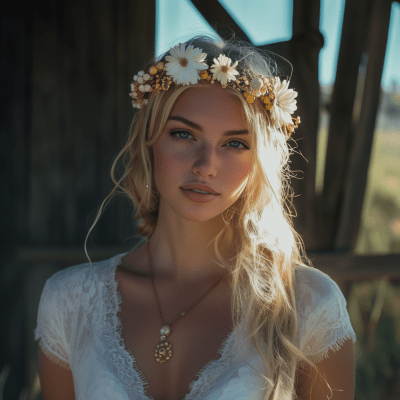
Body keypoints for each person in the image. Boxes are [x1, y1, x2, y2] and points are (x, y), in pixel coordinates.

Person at [34, 35, 357, 400]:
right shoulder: (70, 302)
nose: (205, 166)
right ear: (149, 140)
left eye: (235, 143)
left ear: (258, 161)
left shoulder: (309, 305)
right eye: (183, 134)